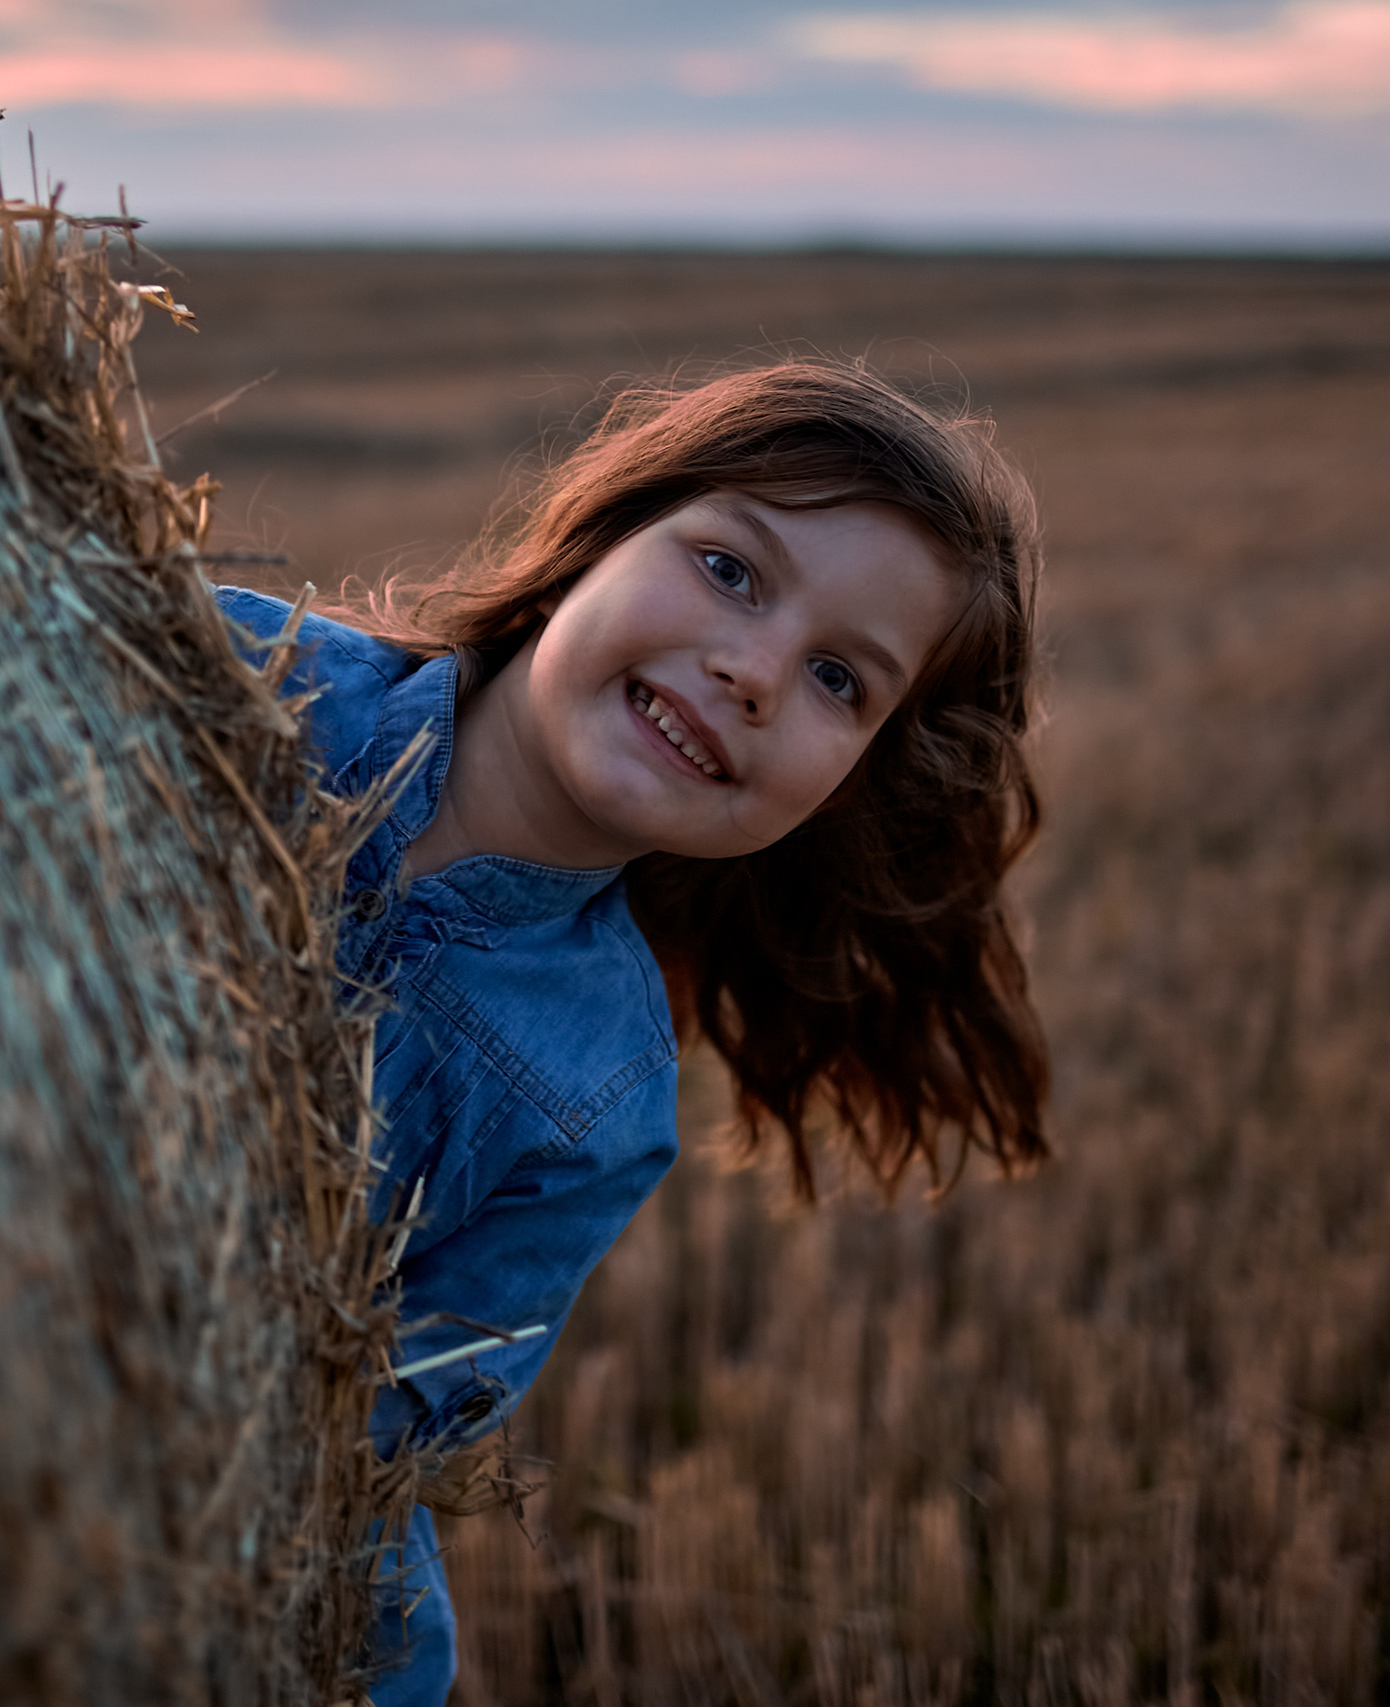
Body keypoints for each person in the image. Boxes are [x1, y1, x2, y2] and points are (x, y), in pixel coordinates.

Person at [216, 360, 1049, 1705]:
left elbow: (361, 1458)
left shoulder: (596, 1112)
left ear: (848, 782)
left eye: (842, 679)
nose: (754, 670)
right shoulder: (226, 677)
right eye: (731, 570)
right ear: (598, 533)